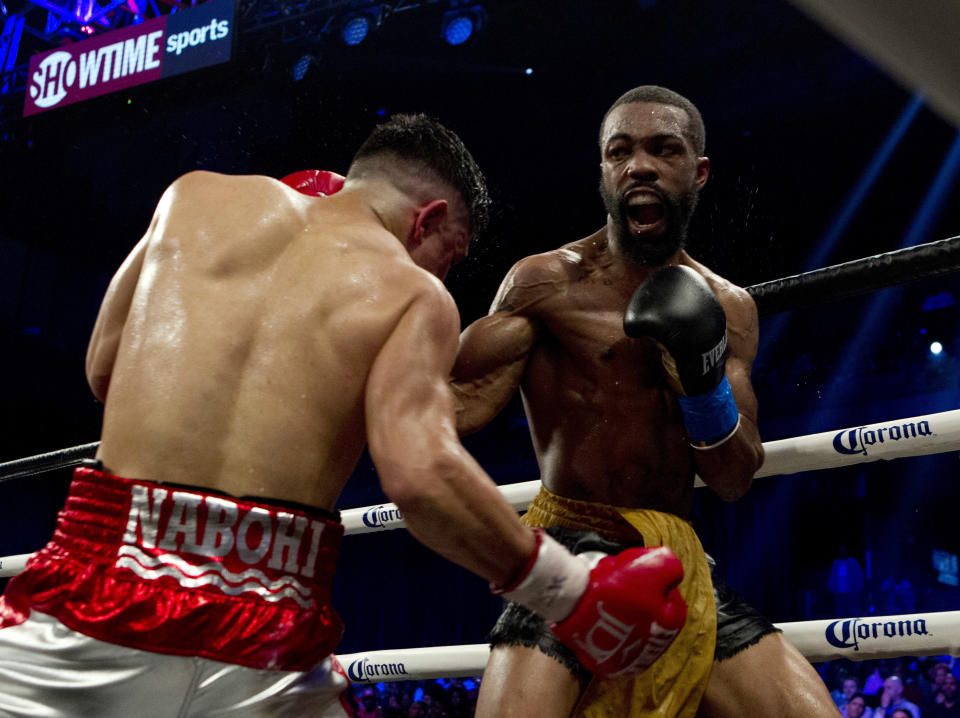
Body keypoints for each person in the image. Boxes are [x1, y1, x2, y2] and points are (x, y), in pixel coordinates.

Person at [0, 114, 686, 717]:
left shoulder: (190, 199)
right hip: (266, 627)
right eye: (449, 258)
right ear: (430, 219)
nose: (440, 277)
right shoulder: (413, 295)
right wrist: (568, 591)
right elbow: (419, 475)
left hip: (94, 588)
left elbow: (104, 366)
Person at [452, 86, 840, 716]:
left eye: (665, 149)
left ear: (698, 171)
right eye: (621, 151)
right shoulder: (543, 284)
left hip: (673, 561)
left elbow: (735, 476)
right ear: (604, 171)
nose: (640, 165)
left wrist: (701, 374)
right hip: (570, 551)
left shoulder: (729, 307)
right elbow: (452, 405)